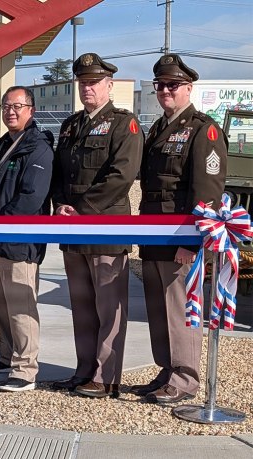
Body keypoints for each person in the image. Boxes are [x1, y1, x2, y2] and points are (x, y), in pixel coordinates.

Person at [133, 54, 227, 404]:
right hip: (154, 235)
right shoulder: (159, 128)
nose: (165, 91)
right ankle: (167, 369)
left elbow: (207, 193)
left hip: (180, 238)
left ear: (188, 87)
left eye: (173, 85)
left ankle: (185, 378)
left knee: (180, 309)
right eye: (160, 85)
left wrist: (195, 241)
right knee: (158, 308)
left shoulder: (204, 129)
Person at [50, 53, 143, 398]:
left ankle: (106, 377)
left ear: (109, 85)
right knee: (82, 306)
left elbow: (122, 175)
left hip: (105, 227)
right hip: (72, 229)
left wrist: (80, 209)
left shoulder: (124, 123)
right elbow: (60, 173)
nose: (87, 88)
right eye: (83, 82)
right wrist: (60, 204)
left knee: (109, 308)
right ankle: (84, 369)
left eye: (94, 82)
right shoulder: (71, 125)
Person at [0, 86, 53, 392]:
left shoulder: (38, 148)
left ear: (31, 110)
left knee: (21, 304)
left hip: (20, 240)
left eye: (18, 106)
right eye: (6, 106)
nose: (11, 111)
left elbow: (31, 197)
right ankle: (7, 355)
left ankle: (25, 368)